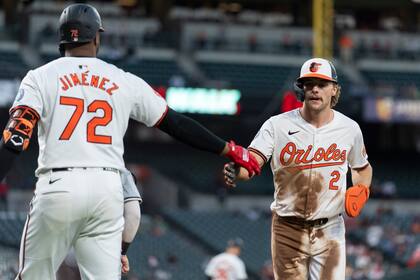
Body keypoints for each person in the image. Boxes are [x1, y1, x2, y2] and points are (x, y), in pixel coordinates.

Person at [0, 4, 260, 279]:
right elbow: (176, 123)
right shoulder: (122, 79)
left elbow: (15, 139)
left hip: (59, 184)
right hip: (107, 190)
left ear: (62, 39)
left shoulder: (40, 77)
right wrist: (227, 148)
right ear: (96, 37)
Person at [223, 58, 372, 280]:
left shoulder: (349, 129)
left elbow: (362, 167)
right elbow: (253, 161)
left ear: (334, 89)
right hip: (287, 229)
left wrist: (362, 189)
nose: (314, 89)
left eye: (321, 84)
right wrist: (238, 169)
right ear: (301, 89)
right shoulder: (277, 125)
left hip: (330, 228)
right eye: (308, 83)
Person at [56, 169, 141, 279]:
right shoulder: (120, 172)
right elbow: (134, 215)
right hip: (103, 248)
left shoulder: (68, 167)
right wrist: (122, 252)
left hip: (65, 248)